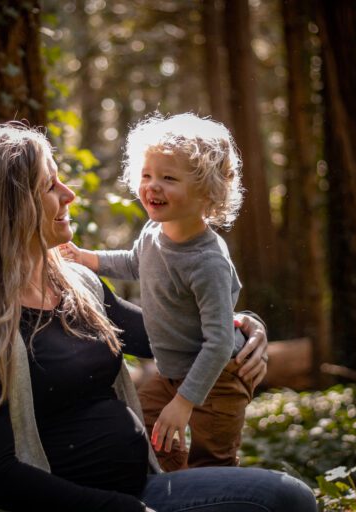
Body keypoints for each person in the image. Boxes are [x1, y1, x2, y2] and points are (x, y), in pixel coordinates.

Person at [0, 122, 317, 512]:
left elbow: (165, 334)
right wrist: (121, 509)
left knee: (289, 498)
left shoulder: (78, 286)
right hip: (85, 508)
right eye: (49, 186)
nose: (68, 195)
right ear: (10, 207)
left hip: (146, 489)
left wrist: (243, 327)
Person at [61, 113, 250, 471]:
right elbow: (135, 262)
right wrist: (86, 258)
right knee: (147, 435)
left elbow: (219, 342)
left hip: (219, 378)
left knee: (213, 464)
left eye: (168, 178)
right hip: (171, 373)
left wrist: (184, 401)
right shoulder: (153, 233)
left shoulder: (206, 262)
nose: (152, 186)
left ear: (206, 191)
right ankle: (173, 491)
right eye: (147, 175)